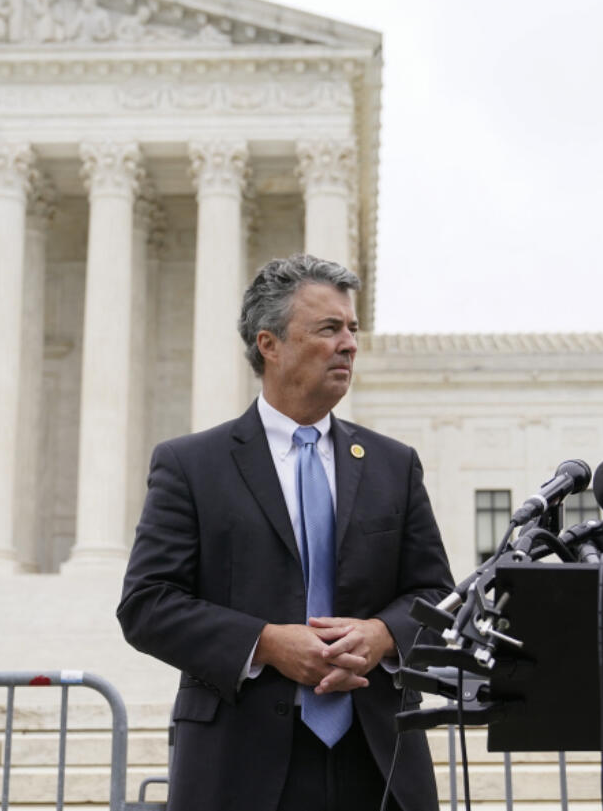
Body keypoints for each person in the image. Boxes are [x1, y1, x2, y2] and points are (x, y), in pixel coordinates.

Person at [117, 253, 454, 811]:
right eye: (328, 328)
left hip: (378, 762)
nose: (349, 344)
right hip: (238, 764)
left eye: (352, 329)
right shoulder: (191, 466)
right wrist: (266, 644)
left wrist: (381, 636)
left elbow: (437, 594)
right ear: (269, 343)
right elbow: (147, 605)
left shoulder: (395, 465)